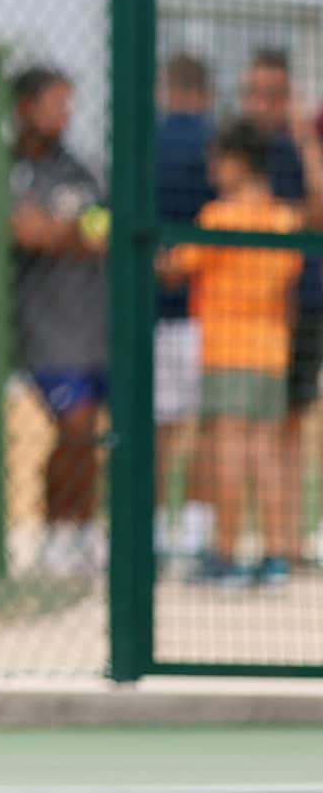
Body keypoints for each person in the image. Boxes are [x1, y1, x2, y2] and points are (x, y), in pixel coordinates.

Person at [159, 120, 307, 586]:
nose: (211, 170)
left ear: (237, 162)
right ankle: (275, 554)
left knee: (227, 449)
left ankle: (224, 555)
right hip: (272, 348)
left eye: (217, 161)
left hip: (227, 349)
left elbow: (175, 269)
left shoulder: (218, 217)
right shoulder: (283, 219)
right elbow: (289, 286)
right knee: (265, 450)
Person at [9, 66, 109, 578]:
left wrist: (59, 231)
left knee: (89, 434)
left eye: (69, 105)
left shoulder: (81, 168)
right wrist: (67, 233)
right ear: (25, 107)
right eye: (56, 104)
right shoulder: (8, 164)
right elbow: (22, 231)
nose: (65, 115)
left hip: (94, 327)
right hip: (45, 330)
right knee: (73, 426)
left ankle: (83, 534)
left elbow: (100, 229)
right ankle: (54, 533)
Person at [235, 50, 323, 563]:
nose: (261, 105)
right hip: (244, 311)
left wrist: (307, 143)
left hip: (301, 306)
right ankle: (240, 537)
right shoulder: (236, 148)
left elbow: (316, 211)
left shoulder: (297, 148)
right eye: (254, 93)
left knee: (290, 419)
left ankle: (285, 538)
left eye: (272, 95)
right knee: (240, 423)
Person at [153, 53, 217, 564]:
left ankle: (151, 533)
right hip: (206, 309)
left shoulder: (146, 139)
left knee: (159, 426)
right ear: (205, 92)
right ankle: (196, 534)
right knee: (206, 424)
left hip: (151, 306)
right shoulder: (214, 143)